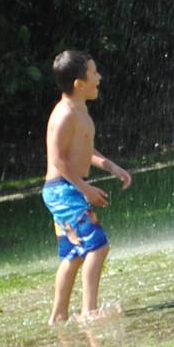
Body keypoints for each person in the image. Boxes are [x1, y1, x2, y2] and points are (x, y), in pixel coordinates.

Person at [43, 49, 133, 327]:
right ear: (79, 84)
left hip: (67, 189)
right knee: (97, 246)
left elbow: (84, 149)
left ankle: (58, 316)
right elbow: (57, 158)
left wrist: (111, 166)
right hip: (63, 191)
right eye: (94, 73)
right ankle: (89, 311)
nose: (99, 77)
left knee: (73, 254)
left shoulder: (80, 110)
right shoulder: (65, 113)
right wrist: (84, 188)